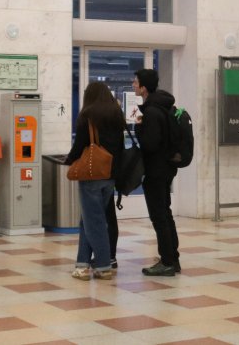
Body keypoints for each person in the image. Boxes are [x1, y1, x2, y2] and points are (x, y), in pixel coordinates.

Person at [64, 81, 126, 280]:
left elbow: (80, 145)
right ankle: (82, 265)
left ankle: (103, 265)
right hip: (109, 175)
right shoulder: (117, 115)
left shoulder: (87, 116)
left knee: (95, 221)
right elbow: (120, 147)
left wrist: (69, 160)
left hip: (91, 175)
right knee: (88, 220)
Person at [133, 68, 181, 276]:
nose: (133, 85)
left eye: (135, 82)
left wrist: (138, 128)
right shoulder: (164, 107)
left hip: (156, 170)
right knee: (166, 214)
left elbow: (150, 144)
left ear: (143, 87)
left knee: (159, 216)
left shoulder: (151, 112)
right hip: (166, 169)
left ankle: (167, 261)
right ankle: (172, 258)